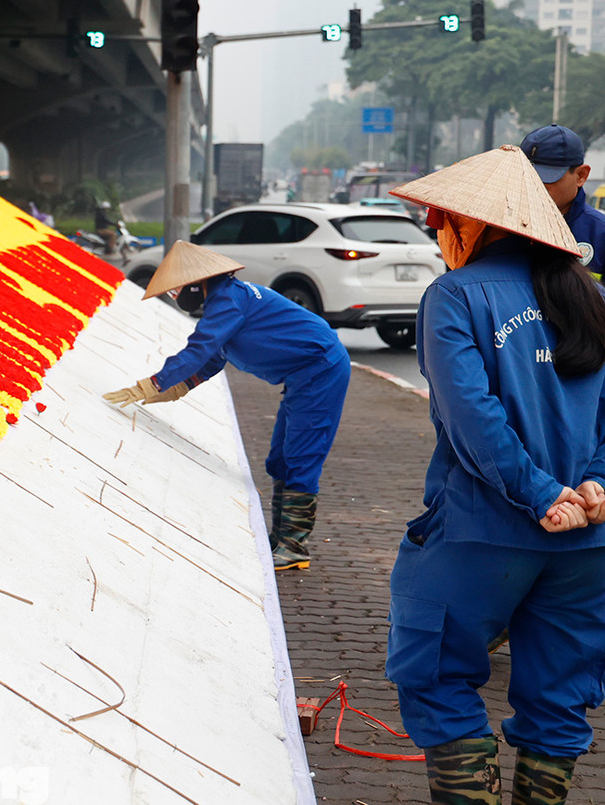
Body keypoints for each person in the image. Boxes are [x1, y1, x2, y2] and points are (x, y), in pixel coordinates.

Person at [383, 144, 605, 804]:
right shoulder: (592, 297)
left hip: (485, 532)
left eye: (441, 220)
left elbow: (471, 417)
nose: (438, 232)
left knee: (434, 674)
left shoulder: (453, 296)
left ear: (473, 224)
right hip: (587, 542)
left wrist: (541, 495)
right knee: (559, 699)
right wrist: (594, 486)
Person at [102, 241, 350, 570]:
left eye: (175, 291)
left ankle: (294, 547)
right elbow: (214, 357)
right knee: (279, 458)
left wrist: (154, 383)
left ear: (195, 283)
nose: (175, 298)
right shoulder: (227, 299)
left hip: (321, 370)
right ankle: (280, 537)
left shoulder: (228, 300)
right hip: (302, 376)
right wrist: (180, 387)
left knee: (301, 455)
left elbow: (199, 348)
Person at [522, 123, 605, 277]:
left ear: (581, 175)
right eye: (528, 176)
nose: (536, 185)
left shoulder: (600, 234)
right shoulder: (500, 228)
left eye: (547, 178)